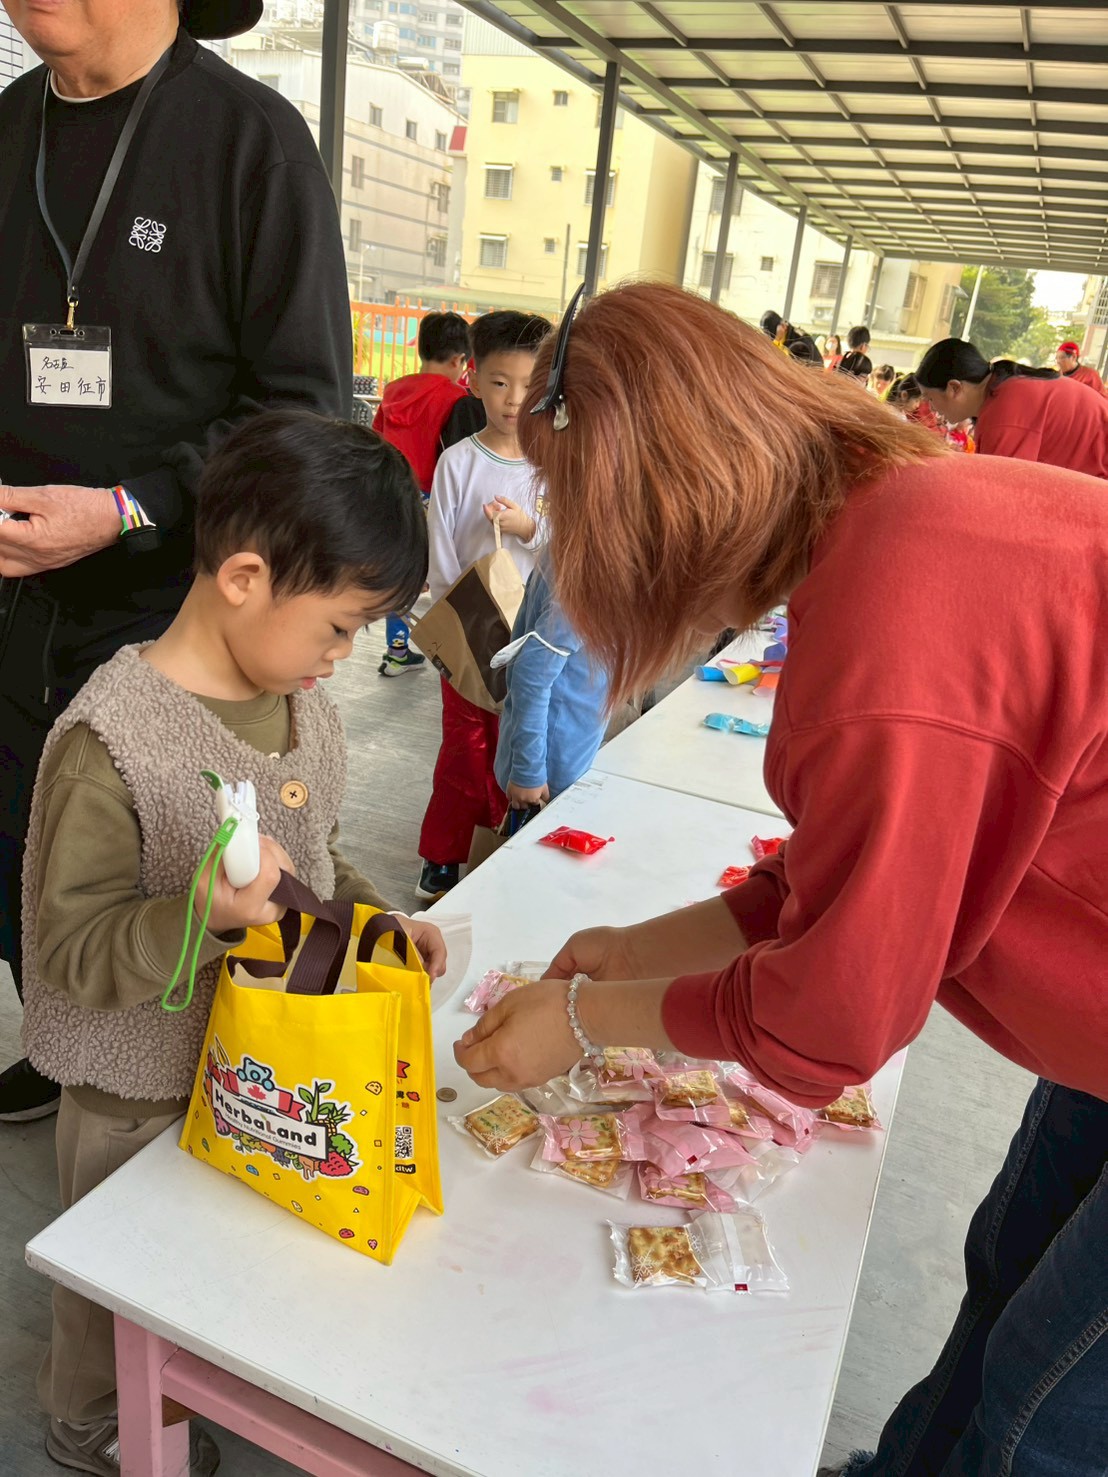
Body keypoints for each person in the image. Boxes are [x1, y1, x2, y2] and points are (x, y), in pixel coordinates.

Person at [455, 281, 1108, 1477]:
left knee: (1044, 1411)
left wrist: (591, 1021)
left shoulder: (892, 606)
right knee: (1010, 1270)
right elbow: (843, 876)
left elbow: (836, 1018)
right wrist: (632, 954)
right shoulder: (903, 520)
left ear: (657, 508)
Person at [19, 408, 445, 1475]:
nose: (345, 657)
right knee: (118, 1277)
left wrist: (374, 919)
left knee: (209, 1256)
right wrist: (201, 915)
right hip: (133, 1091)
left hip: (253, 1070)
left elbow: (315, 854)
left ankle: (195, 1363)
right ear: (246, 577)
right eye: (340, 627)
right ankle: (88, 1411)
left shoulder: (300, 703)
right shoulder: (110, 741)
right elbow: (69, 952)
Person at [0, 0, 352, 1122]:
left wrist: (128, 507)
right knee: (29, 842)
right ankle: (65, 1047)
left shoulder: (250, 142)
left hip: (178, 615)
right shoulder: (9, 126)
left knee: (176, 862)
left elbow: (303, 406)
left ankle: (186, 1094)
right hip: (14, 600)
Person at [416, 310, 549, 901]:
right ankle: (444, 854)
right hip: (471, 630)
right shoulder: (458, 462)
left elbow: (567, 545)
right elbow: (441, 548)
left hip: (534, 633)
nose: (514, 398)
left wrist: (528, 528)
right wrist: (455, 618)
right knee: (464, 747)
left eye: (528, 385)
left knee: (520, 739)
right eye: (499, 382)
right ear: (472, 379)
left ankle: (504, 844)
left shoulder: (552, 466)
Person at [372, 311, 471, 676]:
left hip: (393, 493)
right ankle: (454, 651)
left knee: (402, 574)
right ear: (459, 360)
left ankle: (397, 650)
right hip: (433, 498)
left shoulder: (394, 390)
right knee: (447, 575)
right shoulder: (456, 397)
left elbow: (376, 439)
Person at [494, 552, 610, 814]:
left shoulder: (580, 557)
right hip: (548, 775)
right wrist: (528, 771)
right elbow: (532, 674)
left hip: (570, 755)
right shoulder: (589, 574)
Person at [917, 338, 1108, 478]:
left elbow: (1003, 492)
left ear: (954, 388)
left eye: (930, 398)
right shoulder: (1003, 387)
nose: (931, 408)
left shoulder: (1003, 411)